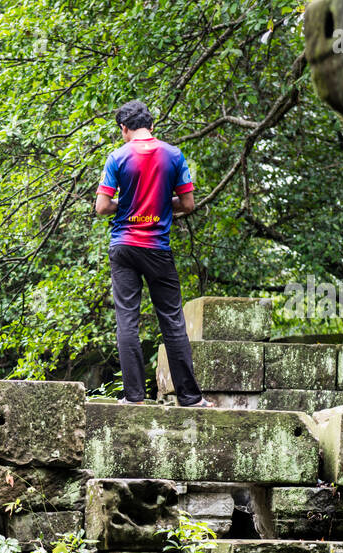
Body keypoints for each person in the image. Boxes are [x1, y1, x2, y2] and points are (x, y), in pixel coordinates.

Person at [95, 100, 211, 407]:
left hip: (123, 246)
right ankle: (189, 398)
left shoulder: (117, 156)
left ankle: (134, 398)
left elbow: (102, 207)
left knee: (127, 321)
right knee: (172, 320)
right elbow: (188, 204)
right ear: (151, 125)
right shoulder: (173, 155)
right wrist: (161, 203)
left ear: (124, 128)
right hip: (156, 248)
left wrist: (128, 205)